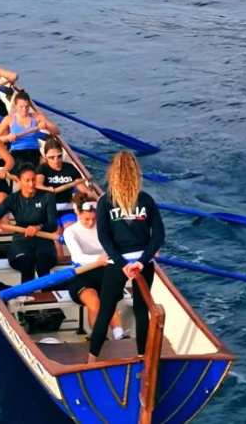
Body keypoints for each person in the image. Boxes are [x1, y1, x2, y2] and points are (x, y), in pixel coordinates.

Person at [88, 151, 165, 362]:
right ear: (136, 173)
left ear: (112, 173)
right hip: (143, 263)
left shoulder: (104, 201)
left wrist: (122, 264)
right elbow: (158, 236)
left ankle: (91, 359)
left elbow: (104, 237)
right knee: (142, 310)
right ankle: (142, 357)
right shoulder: (146, 200)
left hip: (117, 263)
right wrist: (141, 262)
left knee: (106, 309)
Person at [63, 198, 125, 341]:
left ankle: (119, 335)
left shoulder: (104, 227)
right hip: (82, 274)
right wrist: (100, 259)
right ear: (77, 213)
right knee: (95, 304)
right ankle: (99, 336)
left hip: (105, 272)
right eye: (86, 219)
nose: (91, 223)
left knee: (108, 301)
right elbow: (78, 257)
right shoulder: (70, 232)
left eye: (93, 219)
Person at [0, 166, 58, 283]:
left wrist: (38, 227)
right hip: (22, 240)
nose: (31, 184)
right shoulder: (12, 199)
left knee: (43, 264)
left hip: (44, 239)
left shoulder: (47, 196)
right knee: (26, 263)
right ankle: (26, 297)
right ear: (19, 182)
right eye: (27, 180)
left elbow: (53, 225)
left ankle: (46, 294)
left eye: (34, 179)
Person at [0, 90, 58, 169]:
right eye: (21, 107)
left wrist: (47, 125)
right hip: (17, 153)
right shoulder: (9, 119)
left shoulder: (37, 117)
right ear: (15, 105)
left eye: (27, 106)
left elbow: (57, 131)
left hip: (34, 152)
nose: (24, 109)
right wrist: (7, 138)